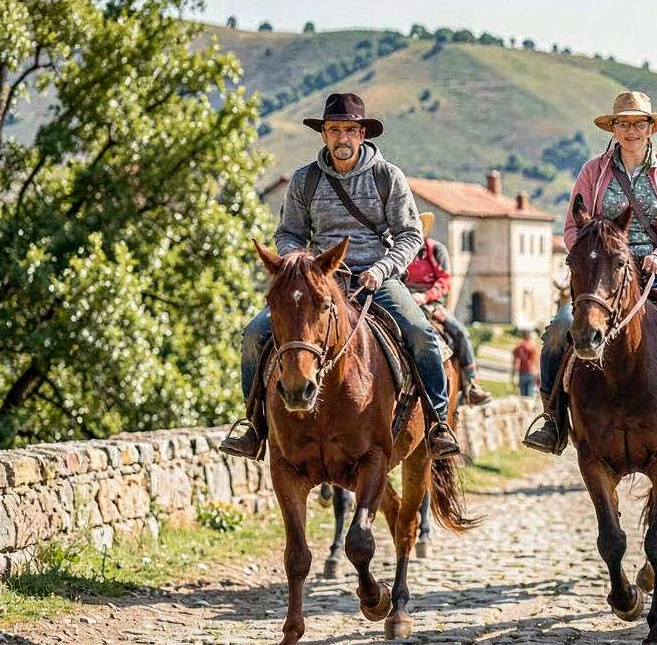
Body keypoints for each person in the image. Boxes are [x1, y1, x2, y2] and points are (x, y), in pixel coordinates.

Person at [220, 93, 459, 461]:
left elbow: (411, 234)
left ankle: (438, 424)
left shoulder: (386, 177)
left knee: (422, 334)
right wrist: (298, 264)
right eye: (334, 130)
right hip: (318, 282)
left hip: (375, 278)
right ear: (323, 135)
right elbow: (288, 233)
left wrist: (382, 269)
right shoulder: (305, 180)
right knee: (254, 334)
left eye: (350, 130)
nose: (342, 138)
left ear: (362, 134)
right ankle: (254, 427)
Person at [522, 91, 657, 454]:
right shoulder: (593, 171)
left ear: (650, 128)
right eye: (623, 123)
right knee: (558, 331)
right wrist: (590, 257)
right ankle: (552, 421)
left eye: (638, 123)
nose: (631, 130)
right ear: (613, 128)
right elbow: (572, 228)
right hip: (604, 274)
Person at [403, 220, 493, 406]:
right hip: (403, 298)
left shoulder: (436, 250)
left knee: (459, 332)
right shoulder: (400, 251)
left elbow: (444, 281)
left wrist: (424, 296)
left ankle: (471, 382)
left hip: (432, 302)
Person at [512, 330, 541, 397]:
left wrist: (513, 374)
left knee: (523, 396)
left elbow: (515, 360)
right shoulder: (534, 346)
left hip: (522, 372)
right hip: (532, 372)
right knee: (530, 396)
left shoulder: (519, 346)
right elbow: (537, 361)